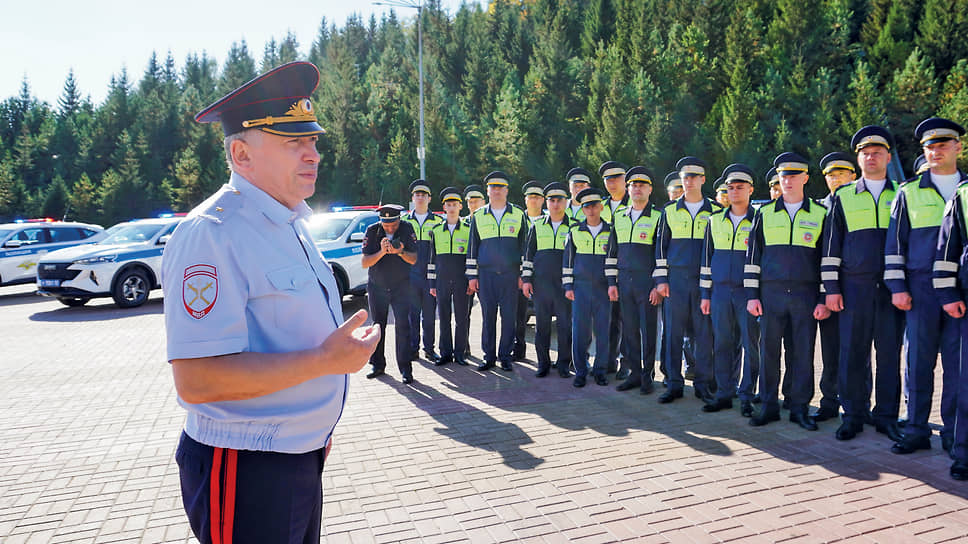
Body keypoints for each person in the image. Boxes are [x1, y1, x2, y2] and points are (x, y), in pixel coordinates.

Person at [162, 61, 380, 543]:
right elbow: (196, 380)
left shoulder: (289, 224)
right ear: (241, 153)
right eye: (292, 142)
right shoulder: (212, 234)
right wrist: (326, 360)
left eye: (313, 141)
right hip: (245, 469)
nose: (312, 154)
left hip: (298, 458)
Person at [888, 117, 966, 455]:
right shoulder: (909, 191)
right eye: (929, 147)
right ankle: (917, 428)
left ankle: (953, 431)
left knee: (957, 365)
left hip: (959, 291)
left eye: (943, 145)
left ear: (958, 148)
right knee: (917, 361)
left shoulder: (966, 189)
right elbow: (895, 244)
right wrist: (897, 287)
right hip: (919, 289)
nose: (936, 151)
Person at [821, 129, 905, 442]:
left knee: (888, 357)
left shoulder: (902, 193)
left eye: (877, 152)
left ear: (887, 157)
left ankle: (886, 417)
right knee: (852, 355)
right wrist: (831, 288)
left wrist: (903, 287)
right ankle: (852, 415)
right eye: (866, 152)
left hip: (891, 290)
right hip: (853, 288)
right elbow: (831, 246)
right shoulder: (843, 197)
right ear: (859, 159)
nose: (872, 157)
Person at [746, 152, 830, 430]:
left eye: (794, 176)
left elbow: (825, 259)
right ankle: (769, 406)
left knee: (802, 353)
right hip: (770, 294)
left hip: (806, 296)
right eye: (784, 176)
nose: (789, 181)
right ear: (779, 180)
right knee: (769, 352)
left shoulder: (820, 214)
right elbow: (753, 256)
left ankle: (799, 408)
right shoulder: (765, 213)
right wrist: (752, 295)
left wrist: (822, 297)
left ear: (806, 178)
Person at [654, 157, 720, 404]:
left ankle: (703, 384)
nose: (690, 181)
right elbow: (660, 247)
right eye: (685, 177)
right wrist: (661, 280)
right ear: (681, 181)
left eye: (694, 177)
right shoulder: (669, 211)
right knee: (672, 333)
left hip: (704, 281)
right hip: (676, 281)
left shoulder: (715, 211)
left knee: (703, 334)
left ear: (703, 180)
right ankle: (673, 384)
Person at [700, 164, 760, 416]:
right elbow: (706, 259)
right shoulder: (714, 220)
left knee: (750, 345)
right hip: (721, 292)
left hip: (747, 293)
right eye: (730, 188)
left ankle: (747, 395)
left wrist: (757, 294)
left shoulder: (760, 219)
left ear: (750, 190)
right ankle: (725, 392)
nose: (735, 192)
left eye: (740, 188)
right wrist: (705, 294)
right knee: (723, 343)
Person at [931, 118, 968, 479]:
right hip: (965, 302)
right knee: (964, 379)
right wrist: (948, 293)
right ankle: (963, 453)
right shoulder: (964, 196)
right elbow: (947, 250)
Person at [466, 171, 529, 372]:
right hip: (486, 276)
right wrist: (472, 276)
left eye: (500, 187)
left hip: (511, 276)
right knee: (488, 318)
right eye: (493, 187)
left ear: (507, 190)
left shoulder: (518, 214)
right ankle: (489, 357)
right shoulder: (478, 215)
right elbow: (472, 247)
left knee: (509, 317)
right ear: (488, 191)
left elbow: (525, 248)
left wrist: (523, 275)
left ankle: (505, 356)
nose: (497, 191)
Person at [608, 166, 662, 394]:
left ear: (650, 189)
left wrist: (658, 285)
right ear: (628, 189)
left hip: (647, 284)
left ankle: (648, 374)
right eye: (633, 185)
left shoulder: (659, 216)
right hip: (625, 283)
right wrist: (612, 282)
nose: (637, 188)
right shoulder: (619, 216)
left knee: (648, 330)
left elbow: (661, 253)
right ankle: (634, 373)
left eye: (642, 185)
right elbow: (612, 251)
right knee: (629, 330)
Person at [811, 151, 854, 426]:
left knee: (857, 350)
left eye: (840, 174)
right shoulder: (817, 209)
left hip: (855, 288)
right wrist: (822, 295)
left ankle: (857, 405)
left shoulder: (859, 203)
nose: (835, 179)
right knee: (829, 350)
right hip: (825, 292)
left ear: (853, 176)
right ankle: (829, 401)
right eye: (830, 175)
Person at [564, 187, 618, 387]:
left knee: (603, 331)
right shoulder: (575, 231)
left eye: (594, 205)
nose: (591, 210)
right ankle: (580, 371)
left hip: (603, 288)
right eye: (587, 206)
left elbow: (613, 259)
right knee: (580, 331)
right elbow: (568, 261)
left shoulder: (611, 231)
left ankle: (600, 370)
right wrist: (568, 286)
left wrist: (612, 284)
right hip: (581, 288)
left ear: (601, 207)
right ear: (583, 210)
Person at [522, 182, 573, 377]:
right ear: (547, 203)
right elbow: (528, 256)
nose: (556, 204)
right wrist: (526, 280)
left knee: (564, 326)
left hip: (564, 285)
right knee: (542, 326)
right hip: (541, 285)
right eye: (552, 200)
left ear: (566, 203)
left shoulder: (574, 227)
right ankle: (543, 363)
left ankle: (563, 365)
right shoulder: (536, 226)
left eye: (560, 200)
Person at [362, 204, 418, 383]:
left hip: (401, 286)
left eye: (393, 224)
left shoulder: (407, 228)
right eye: (386, 225)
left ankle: (405, 369)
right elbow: (365, 262)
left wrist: (400, 251)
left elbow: (414, 258)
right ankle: (377, 364)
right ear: (381, 221)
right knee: (378, 327)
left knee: (403, 326)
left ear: (399, 219)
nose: (390, 228)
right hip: (377, 286)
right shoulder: (372, 231)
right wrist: (382, 252)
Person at [428, 188, 471, 367]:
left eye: (455, 204)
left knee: (462, 318)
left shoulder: (468, 229)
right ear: (444, 207)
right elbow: (432, 259)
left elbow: (471, 257)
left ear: (460, 207)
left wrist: (471, 280)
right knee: (444, 317)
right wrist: (432, 283)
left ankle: (460, 353)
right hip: (442, 280)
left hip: (462, 280)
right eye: (448, 205)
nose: (452, 208)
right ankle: (445, 353)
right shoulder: (436, 230)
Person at [404, 180, 444, 363]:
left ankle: (429, 349)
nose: (420, 198)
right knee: (412, 314)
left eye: (423, 195)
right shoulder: (404, 221)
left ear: (429, 199)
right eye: (417, 195)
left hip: (430, 277)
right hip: (410, 276)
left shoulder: (438, 222)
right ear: (412, 198)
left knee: (429, 315)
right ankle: (413, 349)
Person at [513, 181, 546, 362]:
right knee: (518, 315)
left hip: (543, 276)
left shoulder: (550, 219)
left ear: (543, 200)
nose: (533, 200)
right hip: (521, 276)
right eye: (530, 197)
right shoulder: (518, 219)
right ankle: (518, 350)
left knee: (544, 317)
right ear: (525, 200)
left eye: (537, 197)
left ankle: (545, 355)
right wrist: (520, 274)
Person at [462, 184, 486, 357]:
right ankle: (464, 345)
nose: (473, 204)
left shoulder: (487, 221)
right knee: (465, 313)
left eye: (476, 201)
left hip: (485, 275)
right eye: (470, 202)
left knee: (488, 313)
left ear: (483, 202)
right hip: (466, 276)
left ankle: (489, 349)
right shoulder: (463, 223)